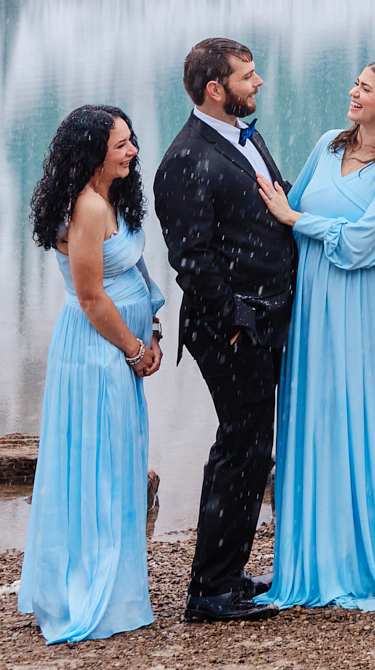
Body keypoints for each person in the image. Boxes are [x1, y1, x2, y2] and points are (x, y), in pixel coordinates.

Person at [254, 60, 375, 610]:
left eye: (367, 87)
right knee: (313, 414)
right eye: (355, 82)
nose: (354, 92)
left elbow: (363, 245)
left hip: (362, 302)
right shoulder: (326, 145)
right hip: (312, 296)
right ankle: (314, 551)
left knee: (356, 411)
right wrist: (295, 221)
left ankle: (360, 553)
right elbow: (294, 201)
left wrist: (299, 222)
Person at [154, 37, 292, 623]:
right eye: (248, 75)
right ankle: (209, 590)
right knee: (240, 448)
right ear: (216, 88)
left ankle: (228, 573)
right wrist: (236, 321)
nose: (257, 83)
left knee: (251, 446)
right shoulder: (186, 158)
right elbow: (192, 259)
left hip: (266, 320)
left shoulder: (246, 136)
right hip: (232, 330)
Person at [17, 105, 164, 643]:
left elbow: (134, 277)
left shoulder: (111, 198)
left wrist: (151, 333)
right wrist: (132, 349)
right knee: (98, 465)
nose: (132, 152)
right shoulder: (85, 209)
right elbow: (89, 297)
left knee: (117, 460)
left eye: (131, 141)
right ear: (92, 152)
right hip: (97, 353)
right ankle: (91, 590)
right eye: (121, 144)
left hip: (122, 348)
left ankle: (113, 581)